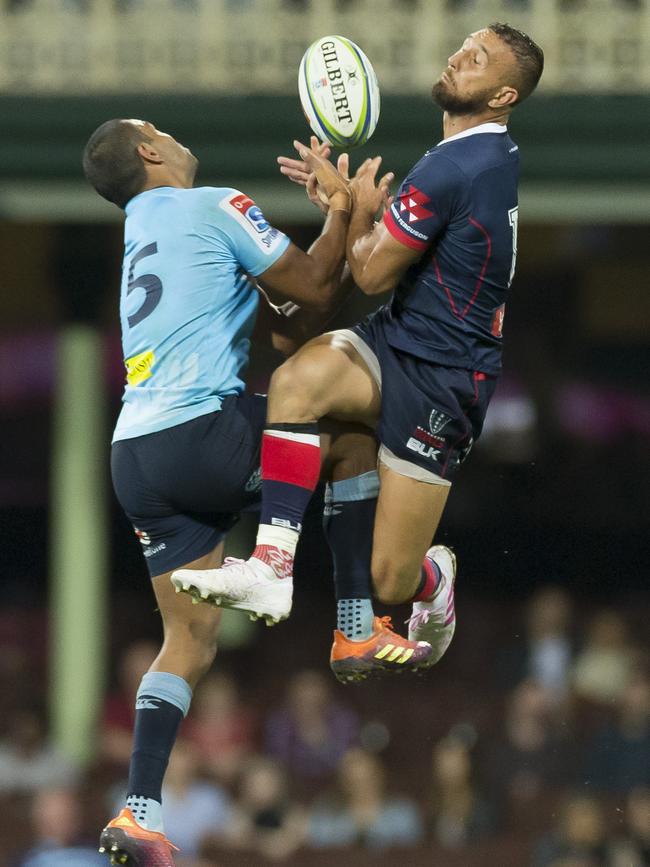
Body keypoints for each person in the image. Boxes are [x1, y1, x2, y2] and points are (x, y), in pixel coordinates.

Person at [82, 118, 431, 866]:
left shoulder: (147, 230)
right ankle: (353, 620)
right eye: (160, 129)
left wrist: (337, 222)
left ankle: (139, 810)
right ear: (150, 152)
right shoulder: (212, 204)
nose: (176, 135)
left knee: (188, 640)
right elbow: (312, 285)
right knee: (346, 435)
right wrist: (340, 215)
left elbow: (297, 323)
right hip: (196, 433)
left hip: (135, 453)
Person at [172, 24, 545, 666]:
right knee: (298, 382)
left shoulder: (458, 164)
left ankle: (435, 581)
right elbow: (396, 261)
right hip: (397, 340)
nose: (458, 58)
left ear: (505, 94)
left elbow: (370, 273)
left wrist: (358, 212)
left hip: (446, 381)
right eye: (463, 46)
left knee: (391, 580)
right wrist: (351, 211)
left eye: (477, 59)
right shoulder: (480, 156)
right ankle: (271, 564)